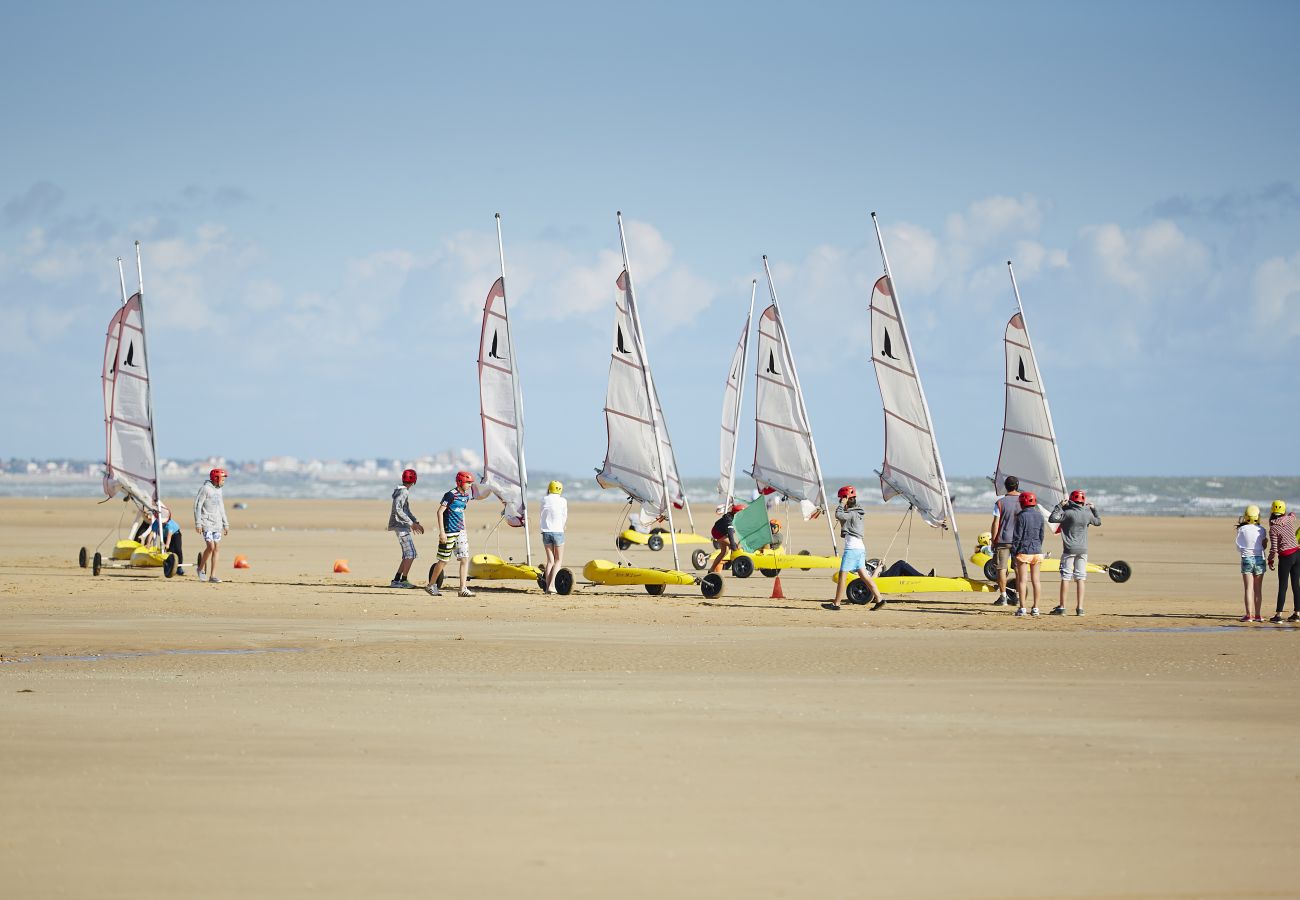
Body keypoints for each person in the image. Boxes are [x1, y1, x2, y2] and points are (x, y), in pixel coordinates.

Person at [828, 485, 883, 610]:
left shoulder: (851, 513)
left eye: (841, 499)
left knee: (843, 575)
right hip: (860, 548)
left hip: (852, 549)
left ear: (846, 498)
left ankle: (836, 604)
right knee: (864, 576)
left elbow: (838, 514)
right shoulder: (856, 512)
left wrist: (842, 504)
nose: (840, 501)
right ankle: (879, 599)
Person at [1047, 489, 1102, 616]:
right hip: (1083, 550)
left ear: (1072, 500)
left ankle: (1062, 607)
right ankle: (1080, 608)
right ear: (1083, 502)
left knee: (1066, 578)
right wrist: (1094, 509)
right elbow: (1098, 521)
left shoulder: (1068, 513)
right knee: (1080, 578)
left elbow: (1052, 518)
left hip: (1069, 550)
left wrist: (1060, 506)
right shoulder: (1087, 514)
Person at [427, 471, 478, 598]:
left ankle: (462, 589)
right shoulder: (450, 495)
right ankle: (431, 585)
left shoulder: (466, 497)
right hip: (449, 532)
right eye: (468, 483)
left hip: (460, 532)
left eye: (471, 483)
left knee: (465, 559)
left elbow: (462, 513)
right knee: (443, 560)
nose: (470, 485)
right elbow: (439, 512)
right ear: (460, 482)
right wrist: (442, 532)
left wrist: (464, 529)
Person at [387, 468, 425, 588]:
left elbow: (406, 510)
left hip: (402, 526)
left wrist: (415, 521)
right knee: (411, 554)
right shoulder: (403, 492)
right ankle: (403, 581)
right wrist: (411, 523)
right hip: (401, 527)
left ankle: (396, 580)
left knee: (407, 554)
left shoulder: (401, 491)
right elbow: (398, 509)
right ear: (414, 481)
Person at [1011, 491, 1045, 617]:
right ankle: (1036, 608)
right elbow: (1041, 535)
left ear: (1022, 503)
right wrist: (1038, 546)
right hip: (1037, 551)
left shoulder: (1021, 516)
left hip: (1024, 552)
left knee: (1022, 580)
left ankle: (1022, 608)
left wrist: (1014, 551)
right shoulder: (1039, 516)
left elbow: (1017, 536)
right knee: (1036, 581)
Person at [989, 476, 1022, 605]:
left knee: (1001, 568)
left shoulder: (1000, 502)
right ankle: (1018, 596)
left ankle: (1003, 597)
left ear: (1006, 487)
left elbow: (995, 523)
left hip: (1003, 540)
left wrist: (993, 540)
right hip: (1018, 540)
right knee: (1019, 569)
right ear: (1017, 485)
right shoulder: (1023, 501)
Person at [193, 468, 229, 583]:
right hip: (206, 521)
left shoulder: (220, 491)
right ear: (216, 478)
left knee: (216, 548)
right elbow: (197, 506)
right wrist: (198, 522)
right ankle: (200, 569)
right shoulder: (205, 489)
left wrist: (225, 523)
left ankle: (212, 576)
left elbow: (221, 507)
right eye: (222, 479)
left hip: (217, 523)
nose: (224, 481)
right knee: (211, 546)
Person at [1266, 500, 1299, 623]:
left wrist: (1270, 560)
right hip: (1297, 554)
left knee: (1283, 586)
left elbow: (1274, 548)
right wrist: (1289, 513)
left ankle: (1278, 615)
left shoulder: (1273, 528)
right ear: (1283, 510)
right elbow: (1293, 515)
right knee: (1296, 585)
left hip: (1286, 557)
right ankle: (1297, 614)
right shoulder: (1289, 519)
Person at [133, 502, 185, 575]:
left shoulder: (169, 524)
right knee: (170, 551)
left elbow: (170, 535)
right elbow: (152, 532)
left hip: (175, 534)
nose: (163, 524)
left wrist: (167, 544)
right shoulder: (156, 522)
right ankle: (170, 567)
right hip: (164, 536)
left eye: (164, 523)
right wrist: (148, 543)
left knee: (178, 550)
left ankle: (179, 567)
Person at [1236, 505, 1267, 623]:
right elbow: (1263, 547)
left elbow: (1239, 546)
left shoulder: (1242, 529)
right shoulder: (1262, 530)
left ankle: (1249, 615)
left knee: (1248, 588)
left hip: (1247, 558)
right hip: (1260, 558)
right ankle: (1258, 615)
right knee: (1258, 589)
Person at [539, 480, 568, 594]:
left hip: (546, 532)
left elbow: (542, 514)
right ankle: (552, 586)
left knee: (550, 561)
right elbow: (564, 516)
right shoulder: (563, 501)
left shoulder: (544, 499)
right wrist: (563, 526)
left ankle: (547, 588)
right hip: (558, 532)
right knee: (558, 560)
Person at [708, 503, 745, 574]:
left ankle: (711, 570)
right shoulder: (729, 520)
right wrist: (733, 546)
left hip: (723, 532)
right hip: (717, 533)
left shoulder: (735, 517)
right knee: (735, 547)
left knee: (725, 552)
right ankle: (736, 570)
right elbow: (730, 534)